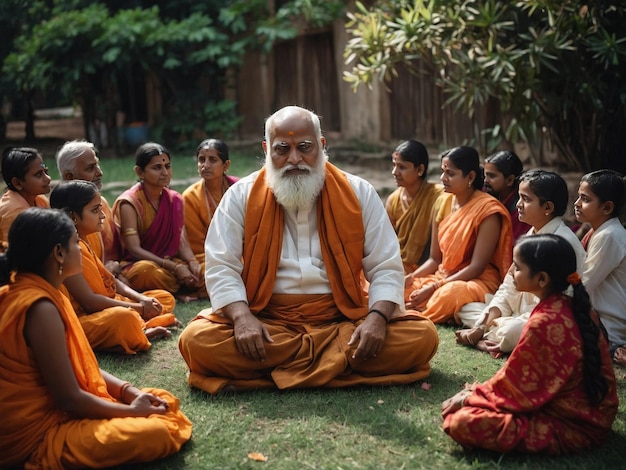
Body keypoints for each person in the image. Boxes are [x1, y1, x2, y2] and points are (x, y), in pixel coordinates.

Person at [178, 105, 439, 394]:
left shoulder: (358, 192)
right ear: (266, 149)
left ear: (322, 145)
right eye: (282, 149)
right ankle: (335, 365)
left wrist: (376, 319)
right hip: (267, 321)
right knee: (197, 340)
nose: (294, 158)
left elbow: (386, 266)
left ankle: (272, 371)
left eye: (304, 147)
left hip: (342, 319)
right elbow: (222, 265)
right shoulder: (241, 195)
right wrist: (242, 318)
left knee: (422, 336)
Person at [0, 208, 191, 468]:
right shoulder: (39, 307)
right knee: (156, 432)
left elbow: (77, 363)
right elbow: (69, 399)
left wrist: (129, 392)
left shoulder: (39, 292)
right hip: (37, 437)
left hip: (62, 411)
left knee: (162, 403)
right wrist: (131, 411)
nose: (79, 249)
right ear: (58, 253)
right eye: (73, 244)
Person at [442, 234, 618, 454]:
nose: (511, 272)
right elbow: (521, 378)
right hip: (590, 414)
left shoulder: (545, 322)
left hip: (575, 426)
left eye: (517, 267)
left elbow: (516, 390)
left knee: (462, 422)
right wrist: (478, 394)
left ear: (542, 279)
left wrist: (471, 396)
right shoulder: (571, 307)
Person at [455, 170, 586, 356]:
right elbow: (509, 286)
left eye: (526, 199)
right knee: (466, 308)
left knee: (512, 330)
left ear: (547, 207)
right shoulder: (531, 235)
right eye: (519, 197)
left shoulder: (563, 244)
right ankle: (490, 333)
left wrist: (495, 324)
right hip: (517, 314)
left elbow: (561, 306)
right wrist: (483, 325)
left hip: (546, 319)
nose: (518, 204)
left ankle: (493, 337)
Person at [50, 181, 179, 353]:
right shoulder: (67, 250)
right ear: (73, 216)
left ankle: (135, 327)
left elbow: (110, 280)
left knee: (162, 298)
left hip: (107, 305)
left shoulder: (85, 240)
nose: (103, 215)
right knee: (123, 318)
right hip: (83, 318)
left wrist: (142, 299)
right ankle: (133, 332)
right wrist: (140, 308)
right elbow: (89, 303)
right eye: (95, 210)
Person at [404, 146, 512, 324]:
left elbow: (476, 267)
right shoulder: (442, 201)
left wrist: (434, 287)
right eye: (442, 171)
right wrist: (412, 278)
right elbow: (434, 259)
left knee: (449, 294)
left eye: (450, 173)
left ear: (470, 177)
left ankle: (417, 311)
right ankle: (418, 306)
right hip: (443, 275)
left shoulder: (488, 210)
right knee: (400, 288)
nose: (442, 178)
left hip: (476, 280)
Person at [112, 142, 202, 297]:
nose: (165, 172)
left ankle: (182, 286)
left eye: (167, 166)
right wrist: (173, 267)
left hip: (169, 263)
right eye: (157, 167)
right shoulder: (130, 202)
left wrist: (192, 262)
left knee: (208, 268)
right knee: (147, 272)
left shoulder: (174, 199)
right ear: (140, 172)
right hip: (139, 264)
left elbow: (180, 237)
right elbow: (134, 249)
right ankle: (185, 288)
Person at [574, 169, 626, 366]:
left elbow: (584, 283)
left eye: (585, 199)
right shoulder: (601, 232)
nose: (577, 204)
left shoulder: (609, 235)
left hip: (607, 327)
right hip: (599, 320)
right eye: (578, 197)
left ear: (607, 207)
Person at [182, 138, 239, 297]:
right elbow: (197, 246)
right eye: (201, 160)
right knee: (202, 273)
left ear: (226, 165)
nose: (205, 165)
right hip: (207, 258)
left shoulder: (240, 190)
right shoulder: (190, 197)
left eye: (212, 160)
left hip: (240, 253)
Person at [385, 139, 452, 273]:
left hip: (430, 268)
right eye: (394, 165)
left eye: (402, 167)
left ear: (420, 169)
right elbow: (386, 243)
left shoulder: (439, 197)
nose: (394, 172)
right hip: (398, 267)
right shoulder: (393, 200)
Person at [55, 139, 119, 267]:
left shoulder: (102, 204)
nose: (100, 173)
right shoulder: (60, 218)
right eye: (90, 168)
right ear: (70, 177)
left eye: (97, 165)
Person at [0, 147, 51, 251]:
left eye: (45, 171)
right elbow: (14, 256)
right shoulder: (13, 212)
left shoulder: (40, 200)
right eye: (38, 174)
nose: (48, 178)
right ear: (18, 183)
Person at [483, 150, 530, 244]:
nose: (485, 181)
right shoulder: (486, 192)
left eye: (491, 176)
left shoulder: (520, 210)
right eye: (485, 176)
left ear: (509, 180)